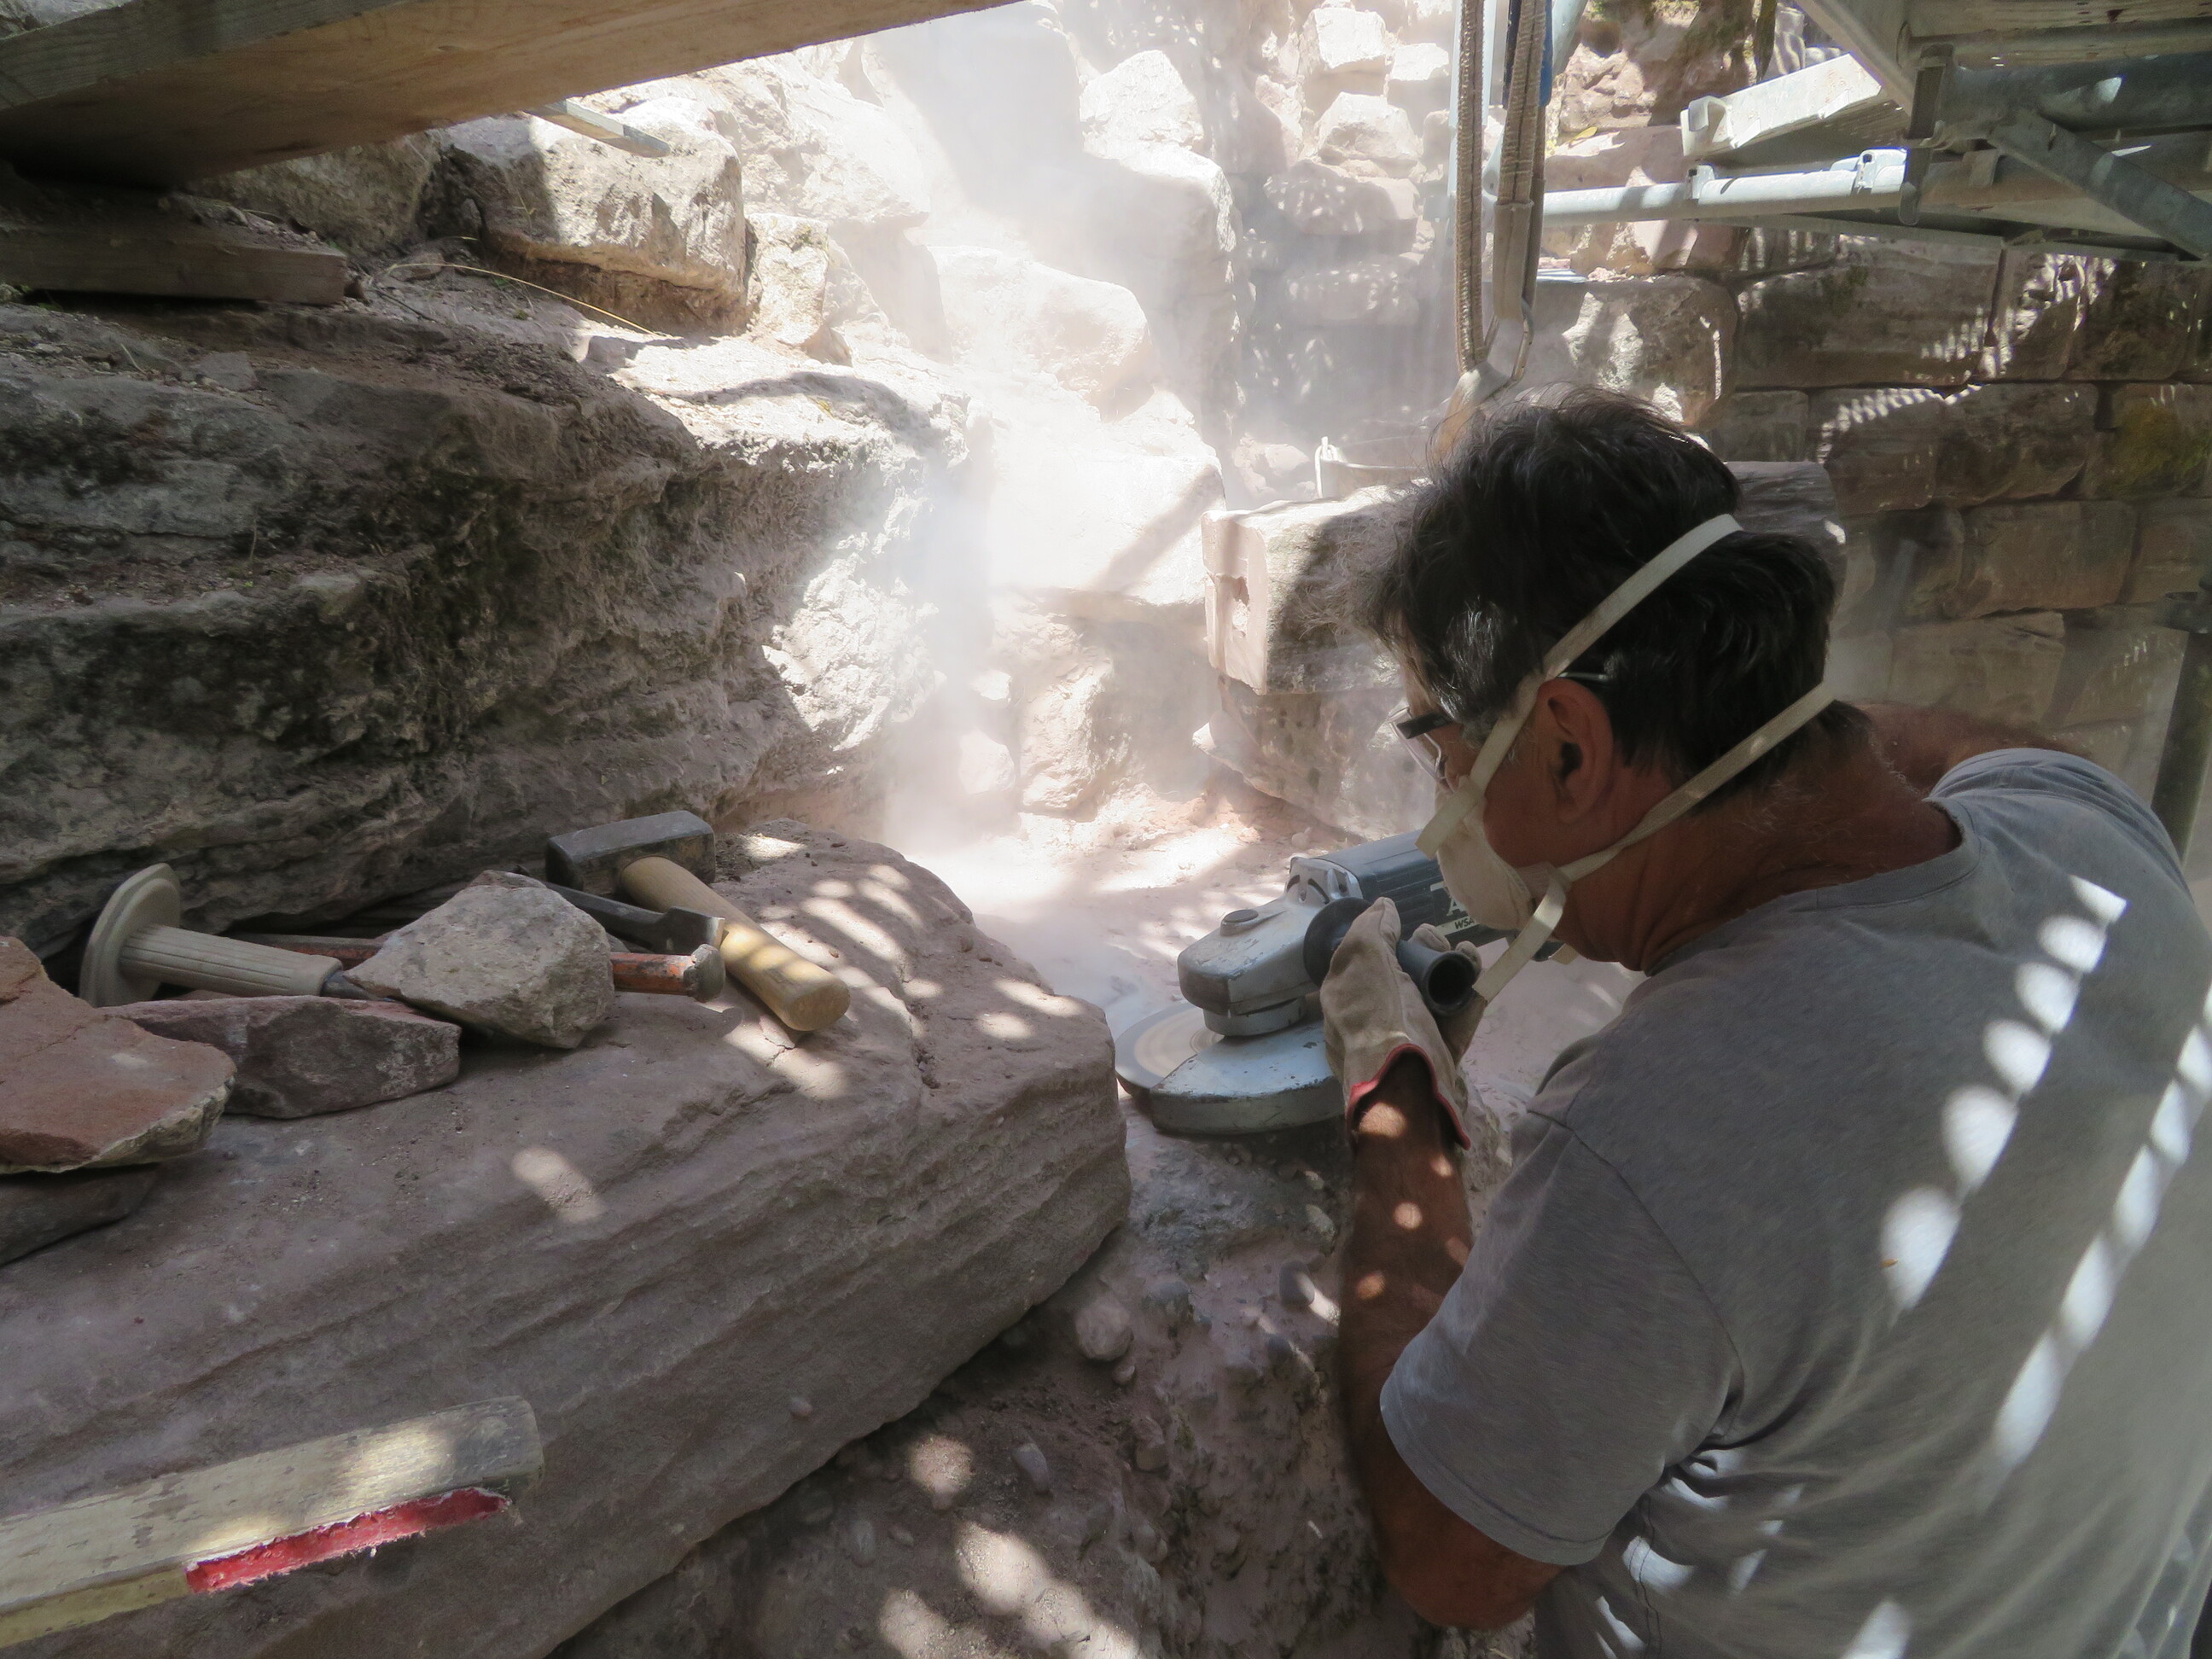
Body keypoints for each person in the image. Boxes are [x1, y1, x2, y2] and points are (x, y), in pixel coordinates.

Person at [1323, 387, 2212, 1658]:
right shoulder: (2096, 842)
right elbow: (2000, 752)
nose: (1444, 808)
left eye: (1447, 756)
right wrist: (1773, 733)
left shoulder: (1658, 1126)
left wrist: (1396, 1095)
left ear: (1568, 745)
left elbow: (1451, 1560)